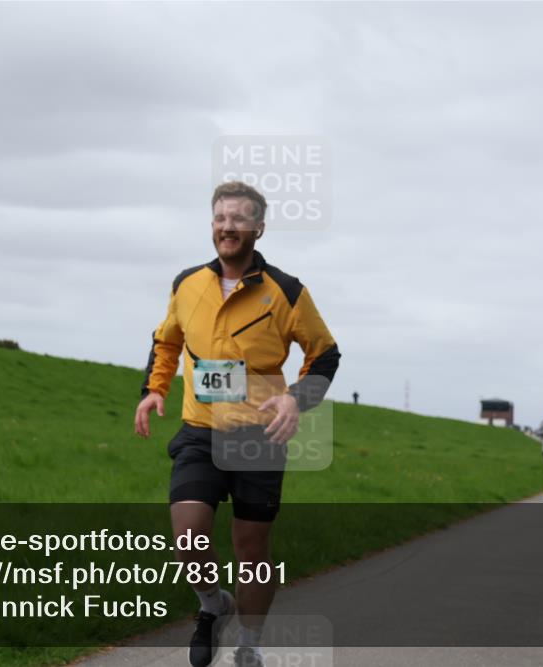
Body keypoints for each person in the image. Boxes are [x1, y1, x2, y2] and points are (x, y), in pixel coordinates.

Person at [134, 181, 340, 667]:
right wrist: (154, 390)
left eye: (239, 220)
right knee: (188, 536)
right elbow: (166, 341)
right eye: (220, 218)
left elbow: (325, 354)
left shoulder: (286, 291)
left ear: (258, 228)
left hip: (258, 436)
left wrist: (296, 400)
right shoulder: (187, 283)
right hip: (200, 430)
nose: (228, 227)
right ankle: (213, 604)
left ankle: (249, 644)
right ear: (212, 224)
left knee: (252, 549)